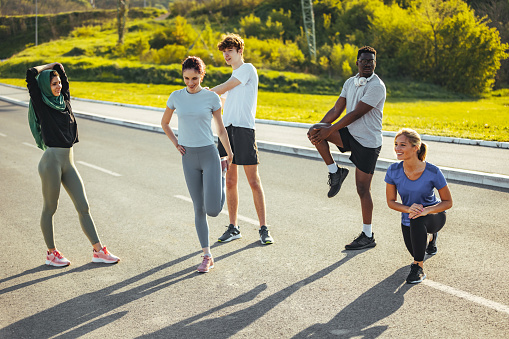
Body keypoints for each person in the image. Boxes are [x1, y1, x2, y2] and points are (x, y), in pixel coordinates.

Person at [26, 62, 120, 267]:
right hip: (51, 161)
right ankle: (51, 254)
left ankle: (98, 251)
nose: (58, 86)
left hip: (69, 161)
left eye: (59, 82)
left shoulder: (64, 101)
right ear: (44, 87)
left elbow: (63, 74)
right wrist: (50, 66)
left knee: (83, 206)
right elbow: (31, 74)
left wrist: (58, 67)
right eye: (53, 84)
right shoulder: (41, 103)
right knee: (50, 207)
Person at [307, 46, 385, 250]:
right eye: (364, 60)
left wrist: (329, 130)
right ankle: (336, 172)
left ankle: (368, 235)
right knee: (316, 130)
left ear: (375, 64)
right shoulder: (350, 82)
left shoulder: (377, 86)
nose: (368, 64)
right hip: (350, 134)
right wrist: (319, 128)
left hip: (368, 141)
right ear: (357, 62)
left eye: (372, 61)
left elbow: (356, 113)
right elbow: (336, 109)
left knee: (362, 189)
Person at [161, 56, 234, 273]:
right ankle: (207, 255)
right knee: (198, 208)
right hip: (188, 158)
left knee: (213, 210)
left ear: (202, 76)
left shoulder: (211, 98)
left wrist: (229, 153)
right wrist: (176, 144)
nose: (190, 83)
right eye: (186, 78)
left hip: (210, 155)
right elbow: (164, 123)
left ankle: (220, 175)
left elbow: (220, 129)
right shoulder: (176, 97)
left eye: (194, 78)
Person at [210, 33, 274, 245]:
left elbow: (223, 89)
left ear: (239, 51)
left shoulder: (247, 70)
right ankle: (233, 227)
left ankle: (264, 229)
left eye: (230, 51)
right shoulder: (232, 78)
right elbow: (223, 103)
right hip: (226, 133)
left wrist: (205, 93)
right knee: (230, 181)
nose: (226, 55)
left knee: (254, 181)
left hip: (244, 131)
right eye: (224, 52)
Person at [385, 128, 453, 284]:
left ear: (416, 147)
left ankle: (418, 269)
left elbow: (448, 202)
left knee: (417, 253)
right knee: (415, 249)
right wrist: (408, 208)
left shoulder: (433, 171)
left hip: (435, 214)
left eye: (402, 145)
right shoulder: (393, 170)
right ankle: (429, 241)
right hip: (409, 215)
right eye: (396, 144)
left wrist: (426, 210)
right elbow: (391, 201)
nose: (397, 148)